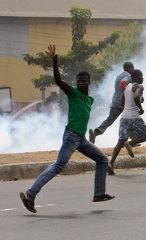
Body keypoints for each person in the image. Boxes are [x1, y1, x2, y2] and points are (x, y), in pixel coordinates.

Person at [19, 45, 114, 213]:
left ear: (89, 83)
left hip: (81, 139)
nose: (82, 84)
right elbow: (57, 81)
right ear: (77, 84)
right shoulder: (73, 93)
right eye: (79, 82)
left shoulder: (89, 99)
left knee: (102, 160)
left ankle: (99, 194)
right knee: (58, 167)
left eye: (85, 82)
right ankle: (31, 194)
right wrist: (55, 60)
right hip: (71, 137)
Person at [107, 70, 146, 175]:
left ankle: (111, 163)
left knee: (120, 141)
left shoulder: (127, 87)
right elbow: (135, 97)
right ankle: (130, 144)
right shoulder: (139, 86)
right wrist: (141, 109)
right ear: (137, 77)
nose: (143, 78)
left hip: (124, 117)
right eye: (141, 76)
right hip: (134, 117)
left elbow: (122, 101)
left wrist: (130, 106)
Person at [89, 62, 134, 144]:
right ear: (130, 68)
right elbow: (123, 83)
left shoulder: (118, 76)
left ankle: (95, 133)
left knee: (109, 120)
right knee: (131, 119)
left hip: (115, 102)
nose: (133, 70)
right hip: (123, 103)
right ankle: (129, 140)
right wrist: (127, 93)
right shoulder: (128, 76)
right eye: (133, 68)